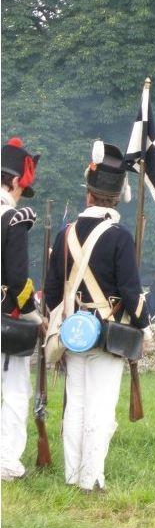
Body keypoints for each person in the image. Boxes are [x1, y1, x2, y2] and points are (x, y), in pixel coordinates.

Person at [45, 141, 150, 493]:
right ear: (118, 196)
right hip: (108, 334)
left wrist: (67, 322)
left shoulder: (65, 234)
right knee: (101, 409)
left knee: (75, 405)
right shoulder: (119, 237)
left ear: (89, 194)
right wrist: (145, 327)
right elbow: (132, 295)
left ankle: (72, 475)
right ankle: (92, 479)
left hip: (74, 334)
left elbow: (52, 291)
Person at [1, 137, 43, 481]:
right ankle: (6, 461)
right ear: (15, 181)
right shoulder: (13, 219)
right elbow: (17, 281)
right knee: (16, 391)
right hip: (5, 318)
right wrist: (35, 315)